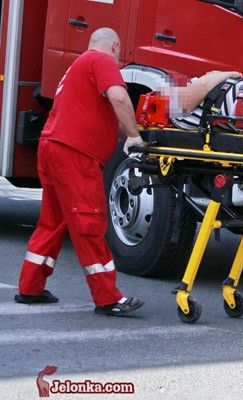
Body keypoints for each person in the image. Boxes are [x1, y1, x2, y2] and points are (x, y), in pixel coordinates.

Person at [14, 28, 144, 316]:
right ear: (115, 46)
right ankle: (108, 298)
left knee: (52, 222)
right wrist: (136, 136)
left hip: (53, 148)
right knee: (89, 222)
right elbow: (119, 99)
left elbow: (106, 114)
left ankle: (30, 287)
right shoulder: (102, 60)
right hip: (75, 154)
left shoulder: (78, 66)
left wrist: (128, 134)